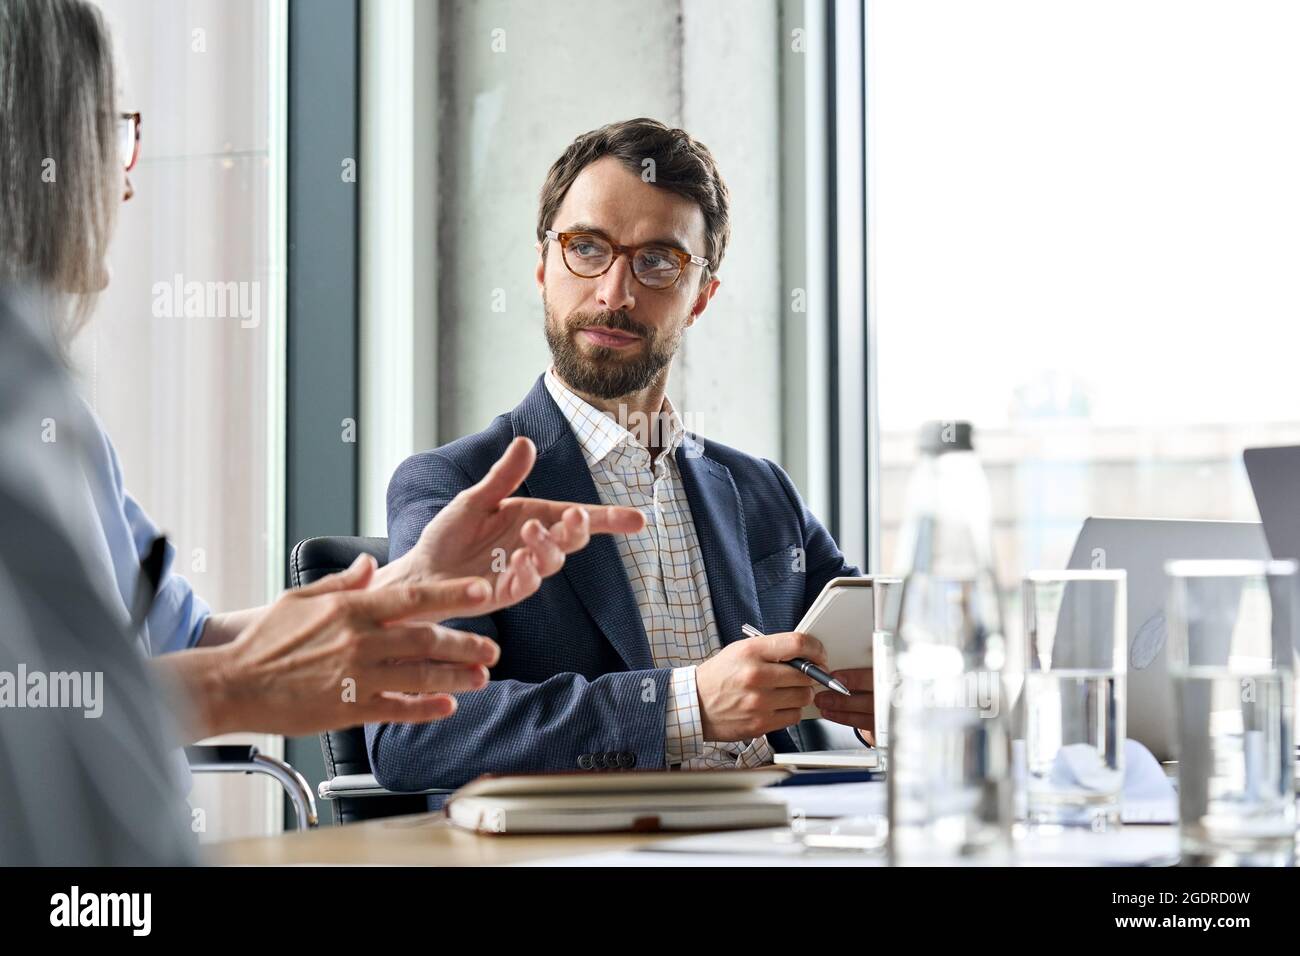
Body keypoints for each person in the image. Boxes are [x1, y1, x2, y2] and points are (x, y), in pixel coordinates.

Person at [0, 0, 645, 744]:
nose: (124, 182)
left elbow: (181, 645)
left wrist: (413, 586)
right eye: (111, 132)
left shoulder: (60, 425)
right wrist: (236, 690)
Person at [371, 118, 873, 795]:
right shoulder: (454, 484)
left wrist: (894, 696)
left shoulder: (761, 493)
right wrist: (684, 707)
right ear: (544, 265)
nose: (614, 293)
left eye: (659, 261)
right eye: (587, 248)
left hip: (786, 836)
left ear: (701, 297)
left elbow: (871, 643)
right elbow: (417, 733)